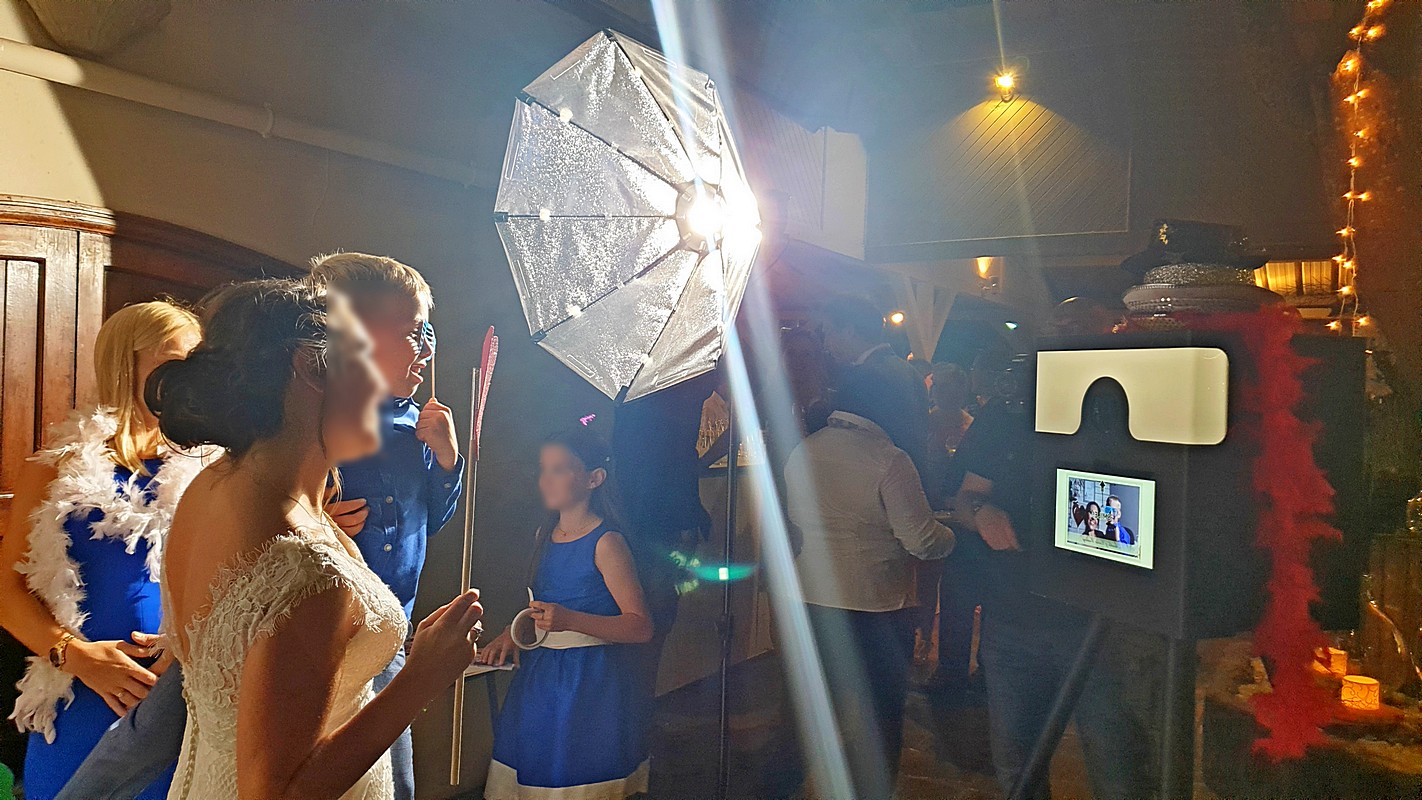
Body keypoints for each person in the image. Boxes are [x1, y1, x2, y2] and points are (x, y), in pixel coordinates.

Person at [59, 253, 462, 800]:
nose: (385, 395)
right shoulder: (307, 573)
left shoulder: (209, 488)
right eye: (364, 362)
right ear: (312, 369)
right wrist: (421, 678)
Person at [0, 301, 204, 800]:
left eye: (198, 363)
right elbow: (6, 591)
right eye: (173, 362)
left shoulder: (213, 470)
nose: (190, 377)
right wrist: (78, 657)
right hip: (80, 698)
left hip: (180, 697)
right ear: (123, 365)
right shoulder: (53, 470)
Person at [948, 349, 1153, 800]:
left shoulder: (1127, 404)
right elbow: (965, 496)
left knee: (1119, 773)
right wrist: (981, 513)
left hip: (1102, 628)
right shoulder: (1006, 412)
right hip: (1011, 622)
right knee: (1018, 771)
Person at [784, 378, 954, 800]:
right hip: (876, 604)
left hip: (809, 599)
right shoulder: (889, 460)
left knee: (812, 711)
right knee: (880, 715)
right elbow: (920, 540)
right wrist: (954, 534)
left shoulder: (804, 449)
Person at [478, 428, 655, 800]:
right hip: (541, 680)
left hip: (590, 684)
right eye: (544, 469)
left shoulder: (607, 543)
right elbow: (542, 606)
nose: (547, 479)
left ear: (594, 478)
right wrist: (513, 633)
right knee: (536, 778)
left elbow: (640, 627)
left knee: (578, 781)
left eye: (560, 469)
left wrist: (570, 620)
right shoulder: (544, 535)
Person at [822, 295, 931, 482]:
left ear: (849, 331)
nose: (825, 343)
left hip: (877, 486)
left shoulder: (860, 379)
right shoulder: (909, 371)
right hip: (912, 481)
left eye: (828, 332)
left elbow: (849, 447)